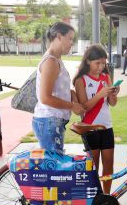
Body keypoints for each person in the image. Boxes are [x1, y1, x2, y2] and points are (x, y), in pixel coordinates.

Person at [33, 22, 85, 154]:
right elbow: (45, 98)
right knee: (53, 166)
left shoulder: (56, 60)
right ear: (59, 36)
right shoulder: (50, 62)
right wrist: (72, 106)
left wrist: (72, 94)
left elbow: (58, 90)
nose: (72, 43)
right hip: (49, 120)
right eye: (70, 38)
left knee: (54, 163)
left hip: (53, 121)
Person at [73, 44, 118, 194]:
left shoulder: (106, 77)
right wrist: (100, 94)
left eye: (103, 63)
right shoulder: (81, 80)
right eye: (97, 63)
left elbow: (112, 103)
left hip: (107, 126)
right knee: (93, 167)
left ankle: (106, 196)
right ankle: (94, 197)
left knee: (108, 166)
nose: (101, 66)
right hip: (90, 127)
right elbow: (84, 107)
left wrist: (113, 94)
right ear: (88, 61)